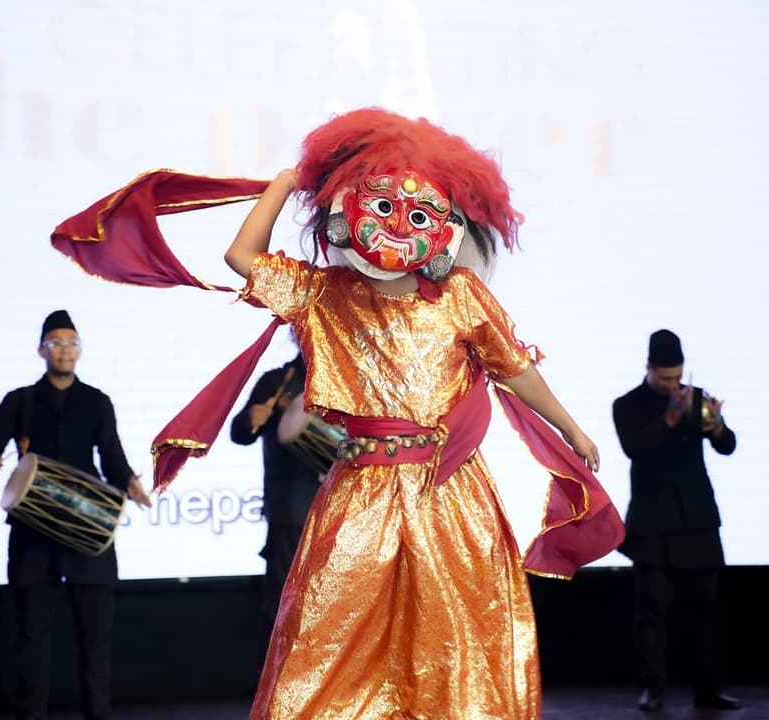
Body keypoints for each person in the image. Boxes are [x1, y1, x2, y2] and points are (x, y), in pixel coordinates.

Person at [220, 109, 620, 719]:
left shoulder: (460, 295)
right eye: (379, 207)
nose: (397, 226)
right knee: (332, 640)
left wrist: (571, 426)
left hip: (449, 490)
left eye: (417, 215)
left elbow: (513, 369)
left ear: (443, 226)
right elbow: (242, 256)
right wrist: (286, 182)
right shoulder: (325, 293)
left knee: (455, 640)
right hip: (361, 491)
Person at [0, 309, 151, 720]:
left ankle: (97, 714)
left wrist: (129, 483)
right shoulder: (20, 401)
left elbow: (112, 457)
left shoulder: (97, 401)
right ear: (42, 350)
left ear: (79, 351)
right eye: (56, 343)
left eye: (72, 343)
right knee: (32, 636)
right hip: (33, 534)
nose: (64, 350)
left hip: (87, 527)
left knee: (96, 637)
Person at [612, 329, 741, 712]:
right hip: (653, 524)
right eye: (666, 378)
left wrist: (715, 426)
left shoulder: (695, 399)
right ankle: (653, 689)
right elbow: (635, 448)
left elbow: (727, 445)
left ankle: (708, 689)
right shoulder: (628, 404)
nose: (673, 385)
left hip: (697, 519)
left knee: (705, 611)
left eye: (677, 377)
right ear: (648, 369)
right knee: (652, 613)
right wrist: (669, 419)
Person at [229, 350, 322, 668]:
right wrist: (250, 419)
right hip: (290, 507)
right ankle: (274, 691)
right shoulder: (277, 381)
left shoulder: (346, 375)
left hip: (341, 507)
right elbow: (241, 433)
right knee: (284, 602)